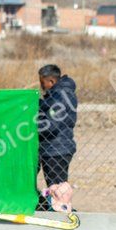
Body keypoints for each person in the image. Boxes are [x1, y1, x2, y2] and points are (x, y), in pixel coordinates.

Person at [36, 64, 77, 198]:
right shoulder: (59, 95)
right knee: (57, 190)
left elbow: (51, 125)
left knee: (57, 192)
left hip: (56, 150)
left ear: (51, 81)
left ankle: (59, 210)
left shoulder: (60, 96)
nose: (41, 86)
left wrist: (32, 127)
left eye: (43, 82)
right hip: (57, 148)